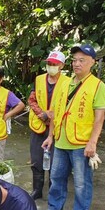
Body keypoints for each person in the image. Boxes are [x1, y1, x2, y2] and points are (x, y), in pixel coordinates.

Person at [40, 44, 105, 210]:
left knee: (81, 182)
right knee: (56, 177)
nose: (77, 64)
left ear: (92, 62)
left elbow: (99, 118)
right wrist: (50, 136)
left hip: (81, 142)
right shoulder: (64, 84)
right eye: (74, 60)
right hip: (61, 140)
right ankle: (56, 208)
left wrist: (92, 143)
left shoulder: (98, 86)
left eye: (82, 60)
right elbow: (55, 113)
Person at [28, 51, 71, 200]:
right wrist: (42, 113)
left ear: (62, 66)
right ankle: (37, 190)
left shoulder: (68, 82)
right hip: (38, 125)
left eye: (54, 64)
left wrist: (51, 114)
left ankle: (54, 193)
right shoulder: (39, 79)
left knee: (56, 163)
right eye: (49, 64)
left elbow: (68, 104)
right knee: (36, 159)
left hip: (58, 127)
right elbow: (32, 99)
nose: (51, 67)